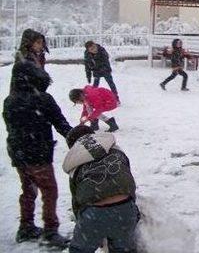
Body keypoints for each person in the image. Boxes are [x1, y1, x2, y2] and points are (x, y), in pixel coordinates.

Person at [3, 58, 72, 248]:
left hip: (19, 155)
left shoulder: (9, 101)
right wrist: (78, 138)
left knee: (28, 189)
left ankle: (25, 227)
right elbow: (61, 124)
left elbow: (12, 127)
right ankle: (50, 230)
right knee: (49, 190)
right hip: (38, 155)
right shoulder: (43, 99)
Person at [62, 125, 138, 253]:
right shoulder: (116, 151)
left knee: (79, 250)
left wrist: (86, 226)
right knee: (124, 249)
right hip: (125, 208)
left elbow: (76, 202)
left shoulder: (75, 164)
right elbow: (128, 181)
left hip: (94, 214)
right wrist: (132, 211)